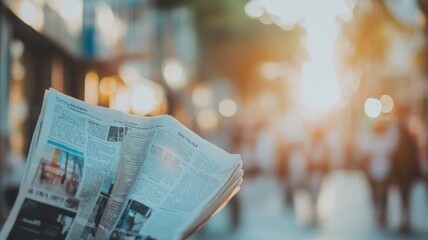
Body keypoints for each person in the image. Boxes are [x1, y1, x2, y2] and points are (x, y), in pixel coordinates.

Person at [390, 105, 420, 233]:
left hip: (406, 169)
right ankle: (404, 220)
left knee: (405, 195)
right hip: (402, 169)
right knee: (404, 195)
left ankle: (405, 220)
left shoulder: (408, 129)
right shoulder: (400, 129)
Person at [364, 119, 396, 227]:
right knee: (383, 193)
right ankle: (382, 212)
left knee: (376, 193)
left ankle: (378, 212)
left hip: (375, 170)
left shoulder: (372, 140)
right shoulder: (385, 140)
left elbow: (368, 155)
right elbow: (390, 154)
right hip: (384, 169)